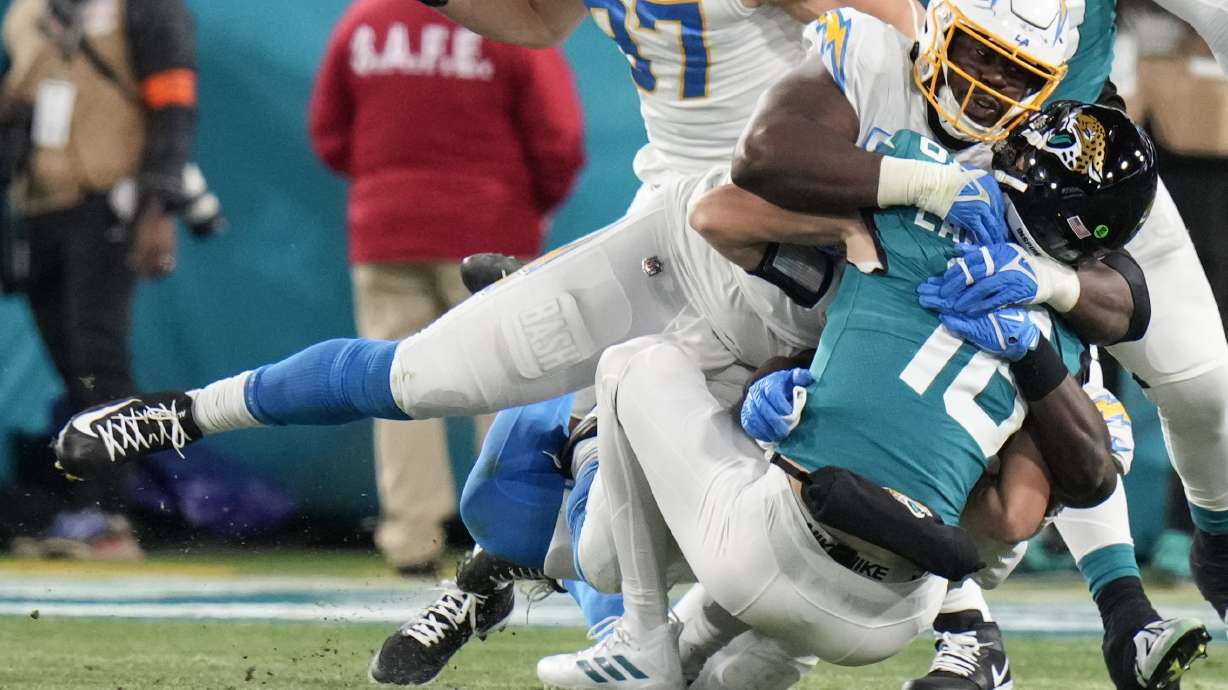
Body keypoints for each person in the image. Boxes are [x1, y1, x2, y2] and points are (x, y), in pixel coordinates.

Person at [536, 102, 1148, 690]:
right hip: (896, 613)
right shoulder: (1070, 343)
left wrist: (854, 220)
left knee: (631, 365)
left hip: (774, 545)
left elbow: (713, 214)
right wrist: (909, 493)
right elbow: (1013, 517)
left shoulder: (912, 207)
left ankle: (640, 634)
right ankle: (962, 627)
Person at [307, 0, 585, 574]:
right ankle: (515, 537)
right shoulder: (511, 18)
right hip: (491, 230)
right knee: (508, 382)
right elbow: (557, 139)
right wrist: (526, 206)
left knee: (395, 385)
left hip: (386, 230)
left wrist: (390, 185)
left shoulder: (365, 22)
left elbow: (330, 134)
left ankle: (410, 539)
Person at [0, 0, 196, 559]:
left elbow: (174, 107)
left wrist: (159, 205)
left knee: (97, 356)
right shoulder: (25, 12)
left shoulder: (147, 8)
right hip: (36, 204)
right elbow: (18, 103)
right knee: (69, 358)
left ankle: (110, 514)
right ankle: (88, 507)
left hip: (108, 201)